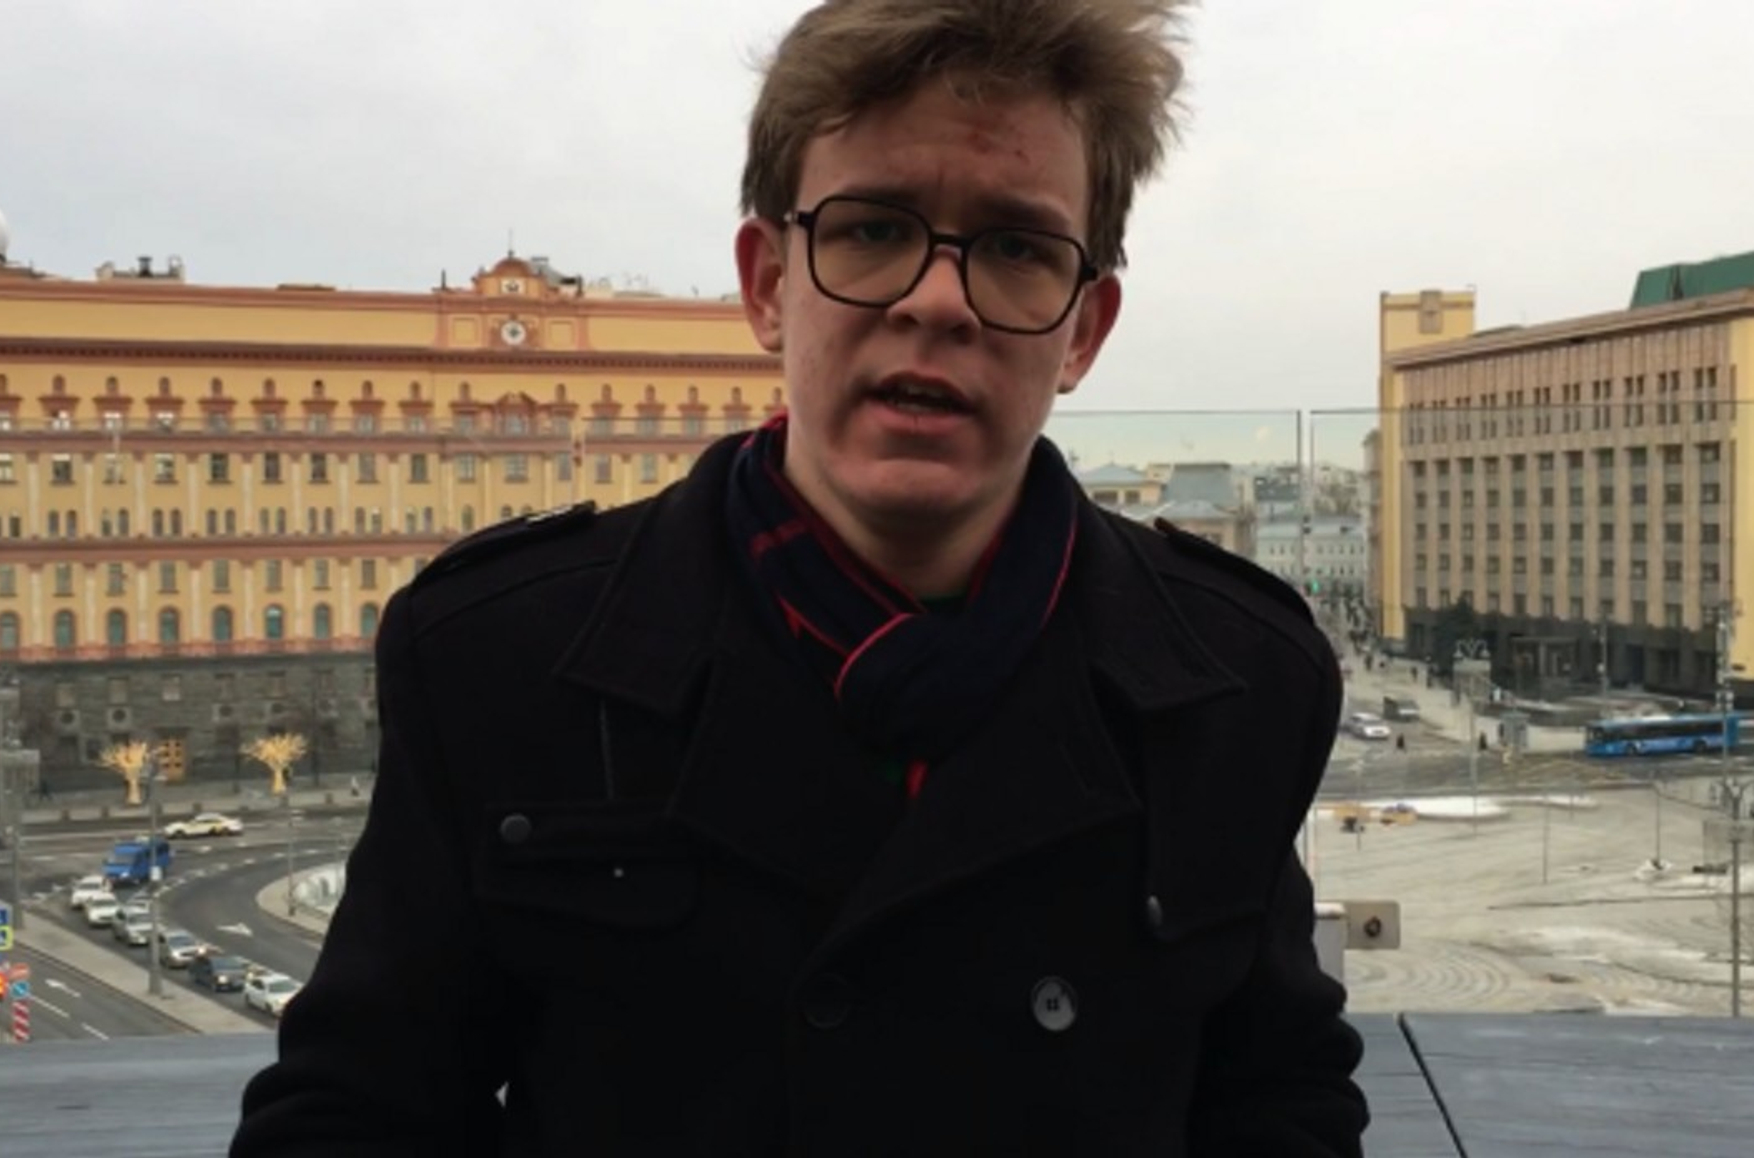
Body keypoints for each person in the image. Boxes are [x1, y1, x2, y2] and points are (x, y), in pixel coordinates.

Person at [232, 2, 1366, 1154]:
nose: (935, 301)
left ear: (1082, 329)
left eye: (1017, 249)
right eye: (872, 229)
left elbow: (1278, 1096)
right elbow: (356, 1110)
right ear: (768, 283)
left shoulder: (1234, 682)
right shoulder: (499, 657)